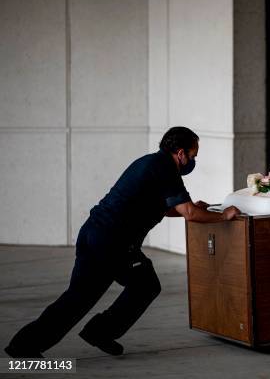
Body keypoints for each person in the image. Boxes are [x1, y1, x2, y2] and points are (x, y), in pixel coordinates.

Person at [4, 126, 240, 358]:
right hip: (113, 241)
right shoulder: (165, 168)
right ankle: (99, 332)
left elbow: (170, 209)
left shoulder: (150, 162)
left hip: (93, 233)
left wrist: (192, 209)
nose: (193, 161)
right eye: (192, 155)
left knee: (78, 296)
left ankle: (23, 346)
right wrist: (223, 216)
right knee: (146, 284)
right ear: (181, 153)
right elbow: (190, 213)